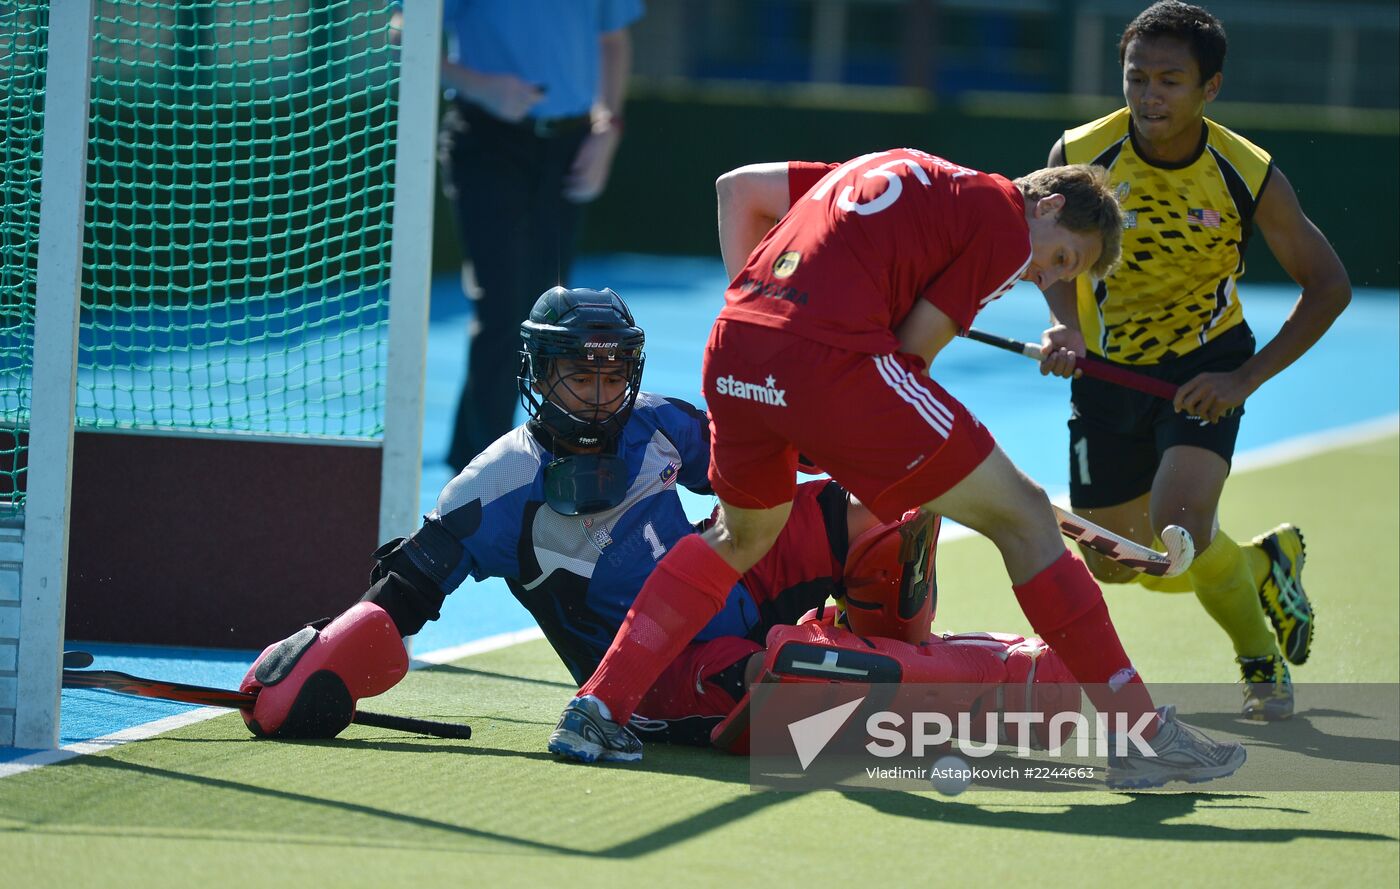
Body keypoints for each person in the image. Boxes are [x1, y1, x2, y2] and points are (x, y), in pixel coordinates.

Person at [549, 149, 1249, 789]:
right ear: (1049, 205)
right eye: (1063, 260)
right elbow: (912, 354)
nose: (1046, 279)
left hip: (736, 343)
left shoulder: (882, 168)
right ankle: (1142, 732)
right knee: (1028, 516)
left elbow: (738, 190)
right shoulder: (1004, 221)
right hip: (832, 364)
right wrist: (838, 404)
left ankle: (597, 707)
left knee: (741, 537)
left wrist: (791, 354)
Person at [235, 286, 1077, 753]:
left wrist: (937, 472)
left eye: (612, 374)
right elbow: (400, 596)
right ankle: (1012, 682)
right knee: (800, 680)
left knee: (884, 514)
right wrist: (316, 669)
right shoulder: (497, 484)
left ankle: (907, 661)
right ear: (537, 373)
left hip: (738, 583)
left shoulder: (662, 422)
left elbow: (785, 471)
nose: (600, 393)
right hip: (667, 675)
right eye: (578, 374)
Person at [1036, 1, 1350, 721]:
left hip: (1204, 368)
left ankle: (1258, 659)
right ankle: (1265, 567)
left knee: (1178, 523)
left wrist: (1242, 378)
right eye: (1137, 77)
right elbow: (1047, 258)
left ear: (1210, 89)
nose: (1150, 95)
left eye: (1170, 81)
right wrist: (1064, 328)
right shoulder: (1084, 156)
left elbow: (1328, 285)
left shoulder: (1247, 172)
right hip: (1107, 370)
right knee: (1118, 562)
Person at [438, 0, 642, 472]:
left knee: (546, 313)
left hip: (570, 146)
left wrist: (607, 131)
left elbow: (613, 41)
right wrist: (483, 86)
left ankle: (488, 453)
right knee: (502, 307)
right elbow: (402, 35)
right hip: (486, 140)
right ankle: (481, 472)